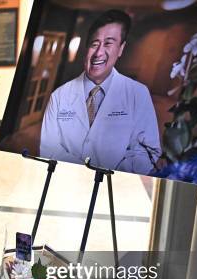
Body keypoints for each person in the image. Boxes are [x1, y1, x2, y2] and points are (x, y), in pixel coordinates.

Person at [40, 9, 161, 174]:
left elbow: (148, 152)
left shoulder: (138, 94)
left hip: (116, 186)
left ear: (121, 49)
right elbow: (48, 149)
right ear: (86, 47)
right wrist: (82, 174)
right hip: (66, 183)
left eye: (108, 43)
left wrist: (108, 174)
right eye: (94, 44)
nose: (98, 53)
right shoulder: (59, 96)